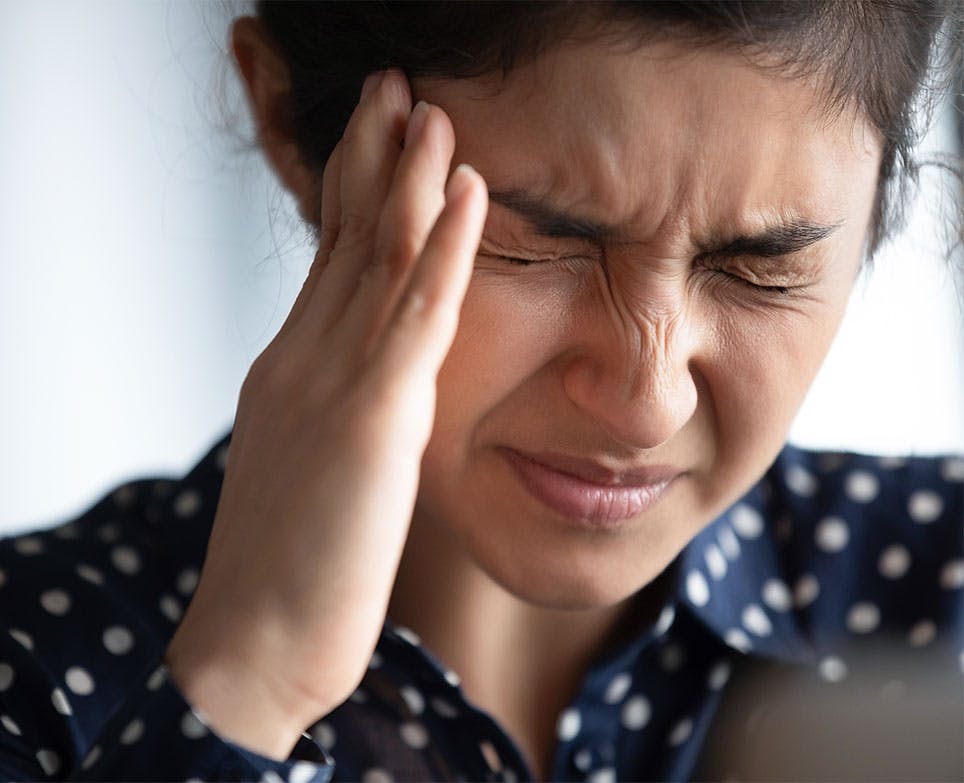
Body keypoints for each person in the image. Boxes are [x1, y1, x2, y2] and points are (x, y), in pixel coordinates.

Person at [0, 1, 962, 780]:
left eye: (762, 268)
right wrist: (245, 679)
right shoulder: (32, 662)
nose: (647, 401)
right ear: (293, 125)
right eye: (535, 243)